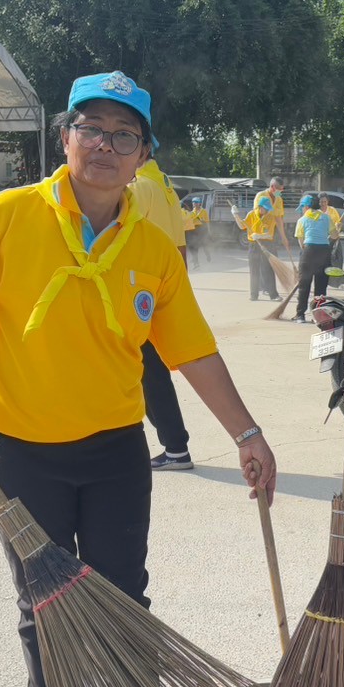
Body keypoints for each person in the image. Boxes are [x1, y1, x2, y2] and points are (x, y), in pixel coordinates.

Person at [0, 69, 277, 687]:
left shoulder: (151, 243)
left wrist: (246, 430)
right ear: (65, 137)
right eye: (91, 129)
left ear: (144, 154)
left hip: (112, 449)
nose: (105, 145)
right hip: (15, 445)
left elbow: (192, 352)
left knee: (124, 598)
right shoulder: (8, 216)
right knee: (46, 602)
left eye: (123, 135)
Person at [130, 158, 196, 472]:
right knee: (149, 370)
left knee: (150, 372)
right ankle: (173, 444)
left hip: (139, 290)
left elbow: (115, 233)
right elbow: (182, 243)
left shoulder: (140, 187)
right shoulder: (166, 187)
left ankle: (175, 446)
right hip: (158, 288)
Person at [292, 194, 333, 324]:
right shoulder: (326, 217)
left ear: (307, 207)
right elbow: (335, 235)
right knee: (321, 286)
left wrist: (307, 252)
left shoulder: (302, 220)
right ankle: (318, 317)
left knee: (304, 285)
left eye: (302, 207)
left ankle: (300, 316)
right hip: (324, 252)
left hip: (308, 251)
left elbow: (301, 241)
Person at [235, 196, 280, 301]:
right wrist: (235, 215)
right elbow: (242, 226)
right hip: (253, 245)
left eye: (268, 209)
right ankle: (254, 295)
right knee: (254, 270)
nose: (267, 210)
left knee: (268, 269)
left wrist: (259, 236)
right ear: (259, 207)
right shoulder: (251, 215)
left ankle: (273, 295)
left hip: (267, 244)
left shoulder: (270, 216)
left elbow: (270, 235)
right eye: (265, 208)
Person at [184, 197, 211, 264]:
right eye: (193, 202)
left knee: (205, 244)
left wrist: (209, 230)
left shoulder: (204, 211)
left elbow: (207, 222)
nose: (194, 204)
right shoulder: (191, 213)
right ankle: (195, 260)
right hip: (194, 229)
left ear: (199, 203)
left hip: (202, 229)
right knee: (194, 245)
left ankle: (208, 255)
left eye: (196, 202)